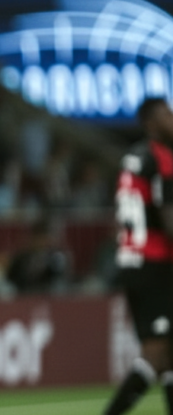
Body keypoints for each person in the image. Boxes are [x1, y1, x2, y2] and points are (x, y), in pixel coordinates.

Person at [103, 97, 173, 415]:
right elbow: (169, 217)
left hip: (132, 260)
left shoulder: (131, 157)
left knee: (168, 353)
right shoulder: (162, 157)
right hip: (155, 262)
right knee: (156, 354)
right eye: (166, 115)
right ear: (150, 123)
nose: (172, 119)